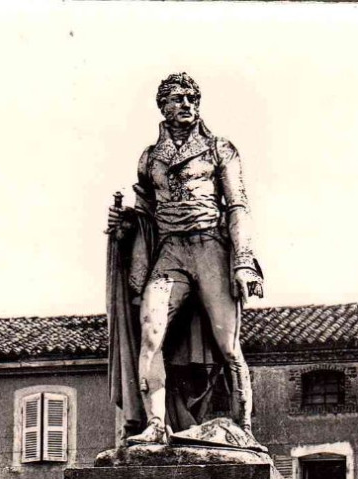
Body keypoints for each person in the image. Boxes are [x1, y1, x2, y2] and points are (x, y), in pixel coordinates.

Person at [106, 73, 263, 445]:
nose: (186, 104)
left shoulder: (218, 148)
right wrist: (125, 223)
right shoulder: (150, 158)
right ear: (162, 106)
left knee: (228, 346)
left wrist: (242, 260)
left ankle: (245, 429)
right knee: (151, 336)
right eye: (177, 98)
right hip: (171, 252)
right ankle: (156, 424)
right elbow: (146, 215)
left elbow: (238, 206)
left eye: (192, 98)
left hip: (210, 247)